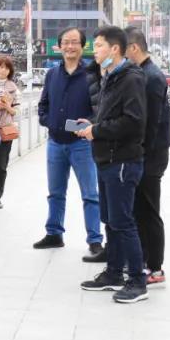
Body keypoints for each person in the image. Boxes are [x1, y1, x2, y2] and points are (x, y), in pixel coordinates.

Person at [76, 26, 148, 304]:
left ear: (115, 49)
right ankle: (114, 273)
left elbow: (133, 122)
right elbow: (110, 117)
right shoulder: (110, 76)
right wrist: (92, 125)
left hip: (122, 161)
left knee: (123, 222)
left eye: (99, 46)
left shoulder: (131, 78)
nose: (94, 51)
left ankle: (137, 282)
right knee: (111, 221)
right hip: (106, 159)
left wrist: (97, 131)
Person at [33, 27, 105, 259]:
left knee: (90, 194)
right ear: (60, 46)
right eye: (66, 42)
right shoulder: (52, 74)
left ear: (83, 46)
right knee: (55, 193)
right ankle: (54, 233)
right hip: (55, 143)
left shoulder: (93, 74)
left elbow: (101, 109)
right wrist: (50, 122)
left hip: (82, 144)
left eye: (74, 42)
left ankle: (95, 240)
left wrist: (87, 125)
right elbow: (43, 105)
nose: (70, 46)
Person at [125, 26, 170, 286]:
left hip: (151, 156)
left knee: (150, 211)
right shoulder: (144, 73)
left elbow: (152, 123)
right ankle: (143, 260)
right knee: (140, 210)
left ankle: (156, 267)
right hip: (146, 154)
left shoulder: (151, 77)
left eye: (124, 50)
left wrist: (140, 153)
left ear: (134, 48)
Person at [0, 56, 20, 208]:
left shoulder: (13, 88)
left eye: (6, 68)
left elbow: (17, 111)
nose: (3, 70)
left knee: (1, 166)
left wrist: (7, 106)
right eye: (0, 67)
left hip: (6, 130)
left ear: (10, 71)